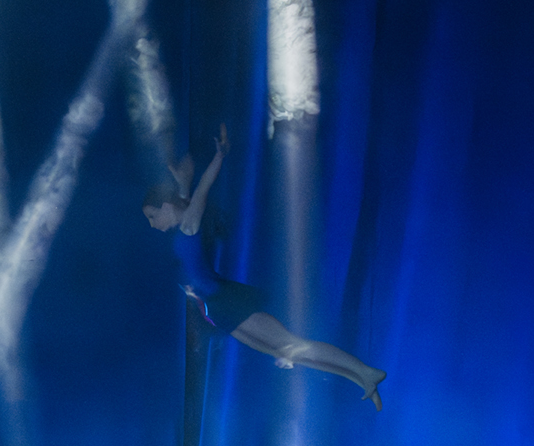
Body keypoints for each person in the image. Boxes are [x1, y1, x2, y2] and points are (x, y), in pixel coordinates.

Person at [143, 126, 386, 408]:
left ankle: (364, 371)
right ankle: (362, 377)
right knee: (286, 351)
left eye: (152, 216)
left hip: (225, 301)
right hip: (215, 309)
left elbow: (201, 193)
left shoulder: (187, 226)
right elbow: (188, 203)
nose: (152, 224)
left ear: (165, 206)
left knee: (290, 344)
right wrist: (183, 184)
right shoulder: (184, 224)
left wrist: (219, 157)